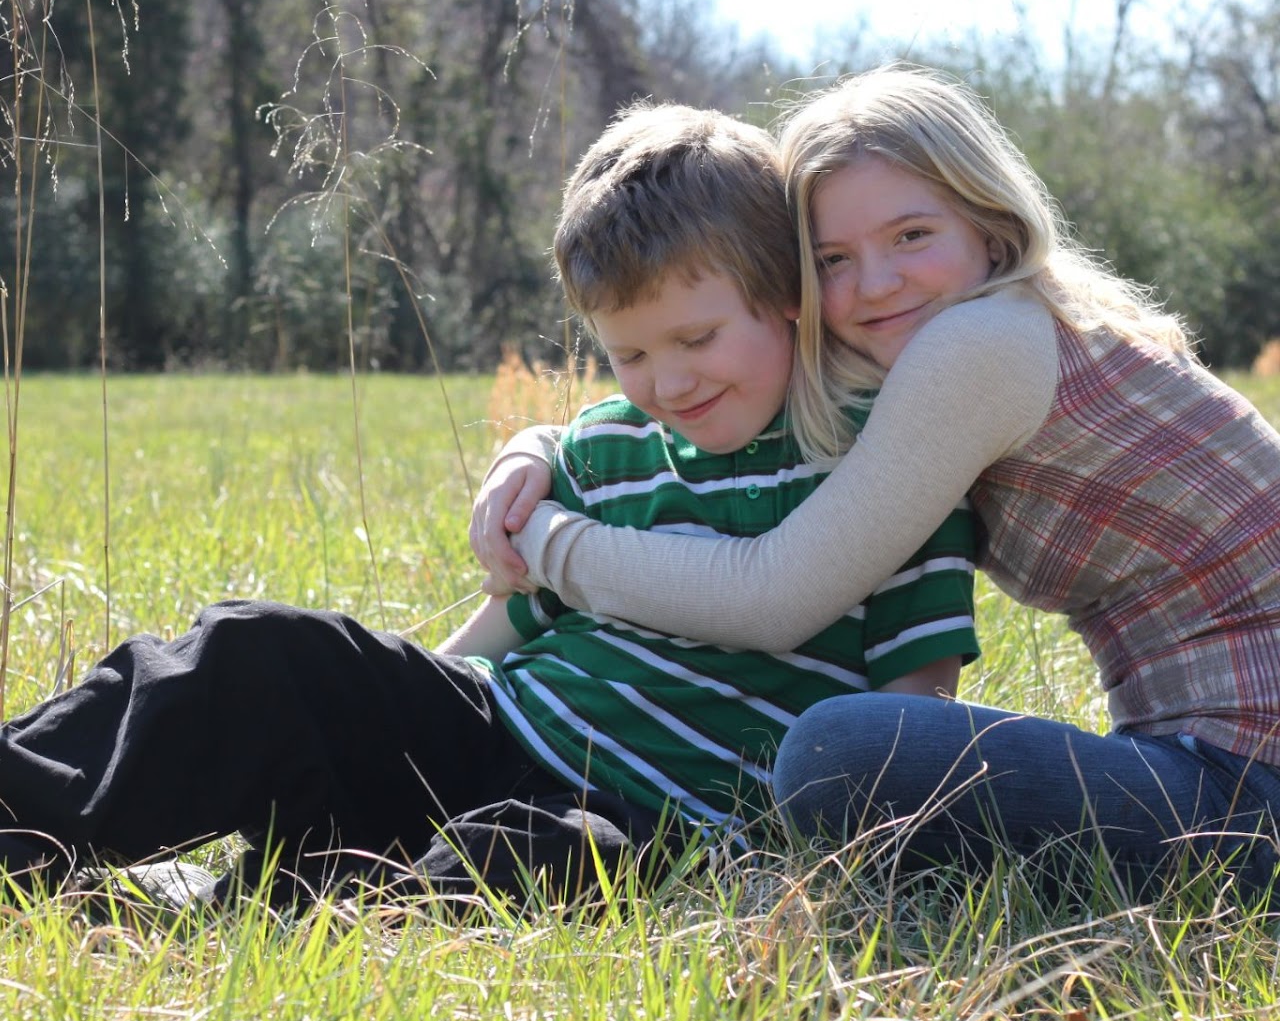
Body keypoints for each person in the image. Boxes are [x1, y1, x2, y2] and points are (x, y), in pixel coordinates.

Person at [0, 100, 977, 910]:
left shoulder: (881, 464)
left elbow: (913, 701)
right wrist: (387, 709)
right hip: (498, 718)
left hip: (652, 812)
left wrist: (825, 871)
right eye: (629, 353)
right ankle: (25, 813)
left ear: (785, 295)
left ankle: (288, 908)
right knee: (258, 650)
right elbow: (511, 616)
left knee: (529, 860)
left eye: (696, 336)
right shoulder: (605, 444)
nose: (667, 380)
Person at [473, 63, 1280, 902]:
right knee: (855, 753)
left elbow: (776, 596)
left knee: (840, 754)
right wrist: (537, 447)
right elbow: (683, 394)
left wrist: (544, 541)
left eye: (911, 236)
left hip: (1248, 790)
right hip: (1201, 771)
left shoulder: (983, 343)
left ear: (990, 225)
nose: (874, 283)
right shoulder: (968, 333)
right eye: (832, 258)